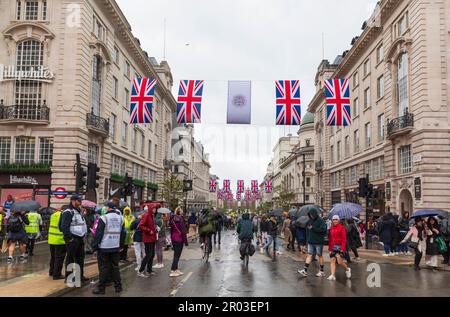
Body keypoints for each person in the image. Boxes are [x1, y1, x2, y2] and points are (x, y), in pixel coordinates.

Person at [91, 203, 126, 294]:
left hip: (104, 247)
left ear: (108, 208)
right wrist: (121, 245)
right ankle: (118, 287)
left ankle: (101, 288)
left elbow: (99, 233)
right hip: (115, 246)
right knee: (115, 267)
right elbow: (123, 233)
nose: (105, 209)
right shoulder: (121, 218)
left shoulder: (103, 218)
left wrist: (95, 246)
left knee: (103, 268)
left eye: (105, 207)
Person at [60, 195, 89, 283]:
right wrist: (69, 238)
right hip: (73, 238)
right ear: (73, 201)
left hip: (80, 238)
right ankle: (68, 278)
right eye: (78, 200)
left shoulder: (78, 211)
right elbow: (63, 226)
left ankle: (79, 276)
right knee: (70, 258)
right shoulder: (68, 212)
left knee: (80, 258)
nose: (80, 202)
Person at [298, 208, 327, 277]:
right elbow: (307, 231)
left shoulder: (321, 221)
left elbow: (323, 231)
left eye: (312, 214)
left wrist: (313, 228)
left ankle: (322, 271)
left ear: (315, 214)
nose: (311, 216)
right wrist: (306, 241)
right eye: (310, 215)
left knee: (319, 255)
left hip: (318, 242)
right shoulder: (309, 221)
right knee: (309, 255)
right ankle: (305, 270)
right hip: (311, 241)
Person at [327, 215, 352, 281]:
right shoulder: (331, 227)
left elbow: (344, 239)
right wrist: (330, 248)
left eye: (336, 219)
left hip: (339, 247)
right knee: (332, 260)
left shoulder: (342, 228)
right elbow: (330, 239)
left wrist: (342, 249)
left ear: (339, 220)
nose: (335, 221)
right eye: (333, 219)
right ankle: (333, 275)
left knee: (340, 262)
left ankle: (347, 269)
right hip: (333, 247)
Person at [137, 206, 157, 278]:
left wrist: (155, 228)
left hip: (152, 238)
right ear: (151, 209)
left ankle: (149, 270)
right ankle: (140, 271)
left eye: (155, 209)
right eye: (154, 208)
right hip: (148, 238)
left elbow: (151, 225)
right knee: (148, 255)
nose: (155, 210)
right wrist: (149, 230)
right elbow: (141, 226)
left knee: (152, 255)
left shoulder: (152, 216)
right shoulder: (146, 216)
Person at [48, 206, 67, 280]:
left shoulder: (53, 215)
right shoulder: (63, 215)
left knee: (53, 257)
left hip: (51, 239)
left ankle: (51, 271)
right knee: (59, 258)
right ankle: (57, 274)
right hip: (60, 240)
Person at [169, 207, 188, 277]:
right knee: (177, 255)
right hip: (179, 239)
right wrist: (185, 241)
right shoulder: (180, 219)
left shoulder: (172, 219)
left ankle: (176, 269)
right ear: (180, 212)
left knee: (176, 254)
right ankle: (173, 270)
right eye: (181, 211)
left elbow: (171, 230)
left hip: (174, 238)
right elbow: (183, 231)